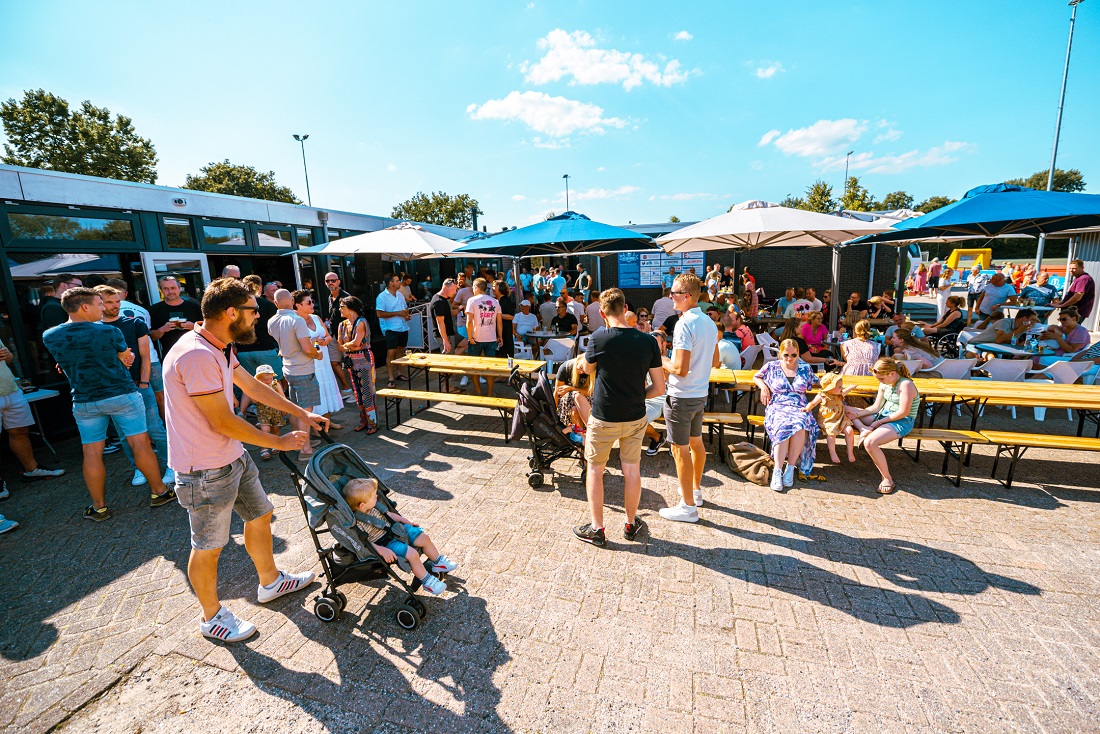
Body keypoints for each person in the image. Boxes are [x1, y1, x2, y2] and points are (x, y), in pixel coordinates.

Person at [164, 277, 324, 642]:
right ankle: (211, 618)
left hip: (231, 455)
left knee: (261, 514)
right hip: (202, 468)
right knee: (208, 545)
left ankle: (270, 582)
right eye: (254, 311)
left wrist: (302, 412)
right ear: (231, 312)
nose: (258, 317)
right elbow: (222, 420)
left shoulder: (218, 345)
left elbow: (252, 386)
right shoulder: (197, 354)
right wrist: (278, 441)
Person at [42, 288, 174, 521]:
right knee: (140, 444)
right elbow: (127, 358)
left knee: (91, 453)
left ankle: (99, 507)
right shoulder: (109, 331)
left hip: (84, 401)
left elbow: (63, 363)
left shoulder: (50, 336)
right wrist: (122, 358)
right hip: (121, 395)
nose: (102, 308)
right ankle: (159, 493)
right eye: (98, 304)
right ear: (84, 307)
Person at [573, 289, 665, 547]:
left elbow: (587, 368)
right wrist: (636, 395)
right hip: (635, 416)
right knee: (632, 470)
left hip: (604, 416)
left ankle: (597, 528)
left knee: (595, 469)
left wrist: (584, 364)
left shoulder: (598, 337)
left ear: (602, 313)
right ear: (625, 309)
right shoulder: (648, 341)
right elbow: (659, 388)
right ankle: (630, 523)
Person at [96, 285, 174, 487]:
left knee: (155, 427)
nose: (115, 306)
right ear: (99, 303)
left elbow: (145, 356)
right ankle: (139, 468)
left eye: (117, 301)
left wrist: (144, 383)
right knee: (124, 435)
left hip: (139, 383)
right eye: (109, 302)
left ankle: (172, 465)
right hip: (113, 389)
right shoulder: (94, 328)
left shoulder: (135, 323)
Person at [658, 274, 720, 523]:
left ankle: (688, 507)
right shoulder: (709, 322)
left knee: (679, 449)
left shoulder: (684, 323)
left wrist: (660, 360)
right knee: (695, 443)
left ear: (686, 296)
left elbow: (680, 369)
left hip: (682, 395)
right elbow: (715, 361)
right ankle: (694, 492)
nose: (669, 296)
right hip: (699, 393)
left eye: (673, 293)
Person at [342, 477, 455, 595]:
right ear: (362, 505)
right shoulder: (359, 522)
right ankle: (427, 582)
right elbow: (365, 542)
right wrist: (382, 551)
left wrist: (407, 522)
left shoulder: (374, 507)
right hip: (386, 543)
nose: (377, 496)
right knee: (412, 554)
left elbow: (390, 515)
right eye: (374, 495)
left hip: (396, 530)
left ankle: (438, 562)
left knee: (424, 538)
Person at [0, 337, 65, 500]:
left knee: (20, 430)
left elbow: (9, 358)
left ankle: (32, 470)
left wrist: (8, 355)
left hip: (11, 391)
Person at [753, 339, 820, 492]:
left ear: (798, 354)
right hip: (777, 405)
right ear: (780, 354)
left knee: (800, 424)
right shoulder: (772, 366)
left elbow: (819, 382)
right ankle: (777, 470)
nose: (789, 358)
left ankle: (790, 468)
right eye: (786, 355)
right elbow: (756, 376)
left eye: (793, 355)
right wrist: (763, 387)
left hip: (799, 406)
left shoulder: (805, 368)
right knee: (782, 425)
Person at [847, 358, 920, 495]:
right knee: (844, 409)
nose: (879, 382)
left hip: (902, 421)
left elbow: (903, 412)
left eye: (881, 379)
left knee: (870, 443)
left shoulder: (905, 385)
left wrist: (877, 423)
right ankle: (864, 429)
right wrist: (857, 415)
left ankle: (887, 479)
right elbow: (876, 407)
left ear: (891, 373)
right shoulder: (885, 383)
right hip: (883, 415)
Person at [269, 289, 324, 460]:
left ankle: (299, 442)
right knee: (305, 411)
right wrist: (318, 353)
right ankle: (305, 449)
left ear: (275, 303)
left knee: (295, 408)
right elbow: (307, 349)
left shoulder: (272, 321)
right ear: (292, 301)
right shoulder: (297, 320)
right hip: (303, 369)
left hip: (288, 368)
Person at [107, 278, 166, 419]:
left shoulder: (106, 313)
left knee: (138, 402)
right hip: (151, 358)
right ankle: (167, 426)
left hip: (130, 360)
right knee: (161, 396)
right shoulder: (143, 310)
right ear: (126, 293)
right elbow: (149, 335)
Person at [235, 275, 284, 419]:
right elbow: (277, 327)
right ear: (261, 288)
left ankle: (241, 412)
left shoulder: (238, 306)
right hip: (266, 349)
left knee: (250, 383)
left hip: (244, 351)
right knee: (275, 381)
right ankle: (279, 410)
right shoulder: (267, 305)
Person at [293, 290, 344, 424]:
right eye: (308, 302)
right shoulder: (296, 321)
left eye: (312, 301)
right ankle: (316, 426)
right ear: (298, 305)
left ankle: (327, 421)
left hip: (324, 361)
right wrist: (314, 342)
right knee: (316, 391)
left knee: (326, 389)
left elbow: (327, 335)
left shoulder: (316, 317)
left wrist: (326, 340)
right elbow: (299, 345)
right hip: (311, 363)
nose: (312, 304)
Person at [338, 297, 378, 433]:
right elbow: (340, 346)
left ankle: (373, 423)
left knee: (367, 392)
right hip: (352, 361)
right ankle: (363, 421)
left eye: (342, 306)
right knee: (357, 392)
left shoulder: (361, 322)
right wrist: (352, 346)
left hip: (364, 360)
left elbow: (355, 344)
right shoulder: (342, 325)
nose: (340, 309)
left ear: (351, 307)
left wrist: (349, 346)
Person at [803, 372, 857, 464]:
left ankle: (850, 451)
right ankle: (832, 451)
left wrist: (851, 388)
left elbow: (845, 392)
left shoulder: (839, 394)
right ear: (831, 388)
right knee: (831, 434)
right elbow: (813, 403)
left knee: (849, 431)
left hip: (840, 418)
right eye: (839, 387)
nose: (842, 388)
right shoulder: (822, 395)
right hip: (828, 420)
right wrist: (807, 408)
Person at [149, 276, 203, 360]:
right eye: (166, 288)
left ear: (179, 288)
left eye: (173, 288)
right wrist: (162, 329)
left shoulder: (194, 306)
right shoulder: (155, 310)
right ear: (161, 290)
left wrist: (194, 327)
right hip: (170, 357)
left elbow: (208, 330)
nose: (170, 291)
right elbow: (151, 337)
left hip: (196, 354)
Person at [465, 278, 503, 396]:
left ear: (476, 287)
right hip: (491, 338)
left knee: (474, 367)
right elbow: (499, 322)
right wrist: (499, 336)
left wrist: (470, 337)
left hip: (476, 338)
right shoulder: (495, 301)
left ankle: (478, 391)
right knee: (490, 368)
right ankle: (490, 393)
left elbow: (469, 321)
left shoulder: (472, 301)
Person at [376, 274, 412, 388]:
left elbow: (404, 309)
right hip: (391, 328)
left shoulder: (400, 295)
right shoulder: (382, 297)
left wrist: (407, 315)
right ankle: (391, 377)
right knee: (391, 352)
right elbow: (379, 314)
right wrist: (398, 313)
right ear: (391, 283)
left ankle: (399, 373)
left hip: (403, 326)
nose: (399, 282)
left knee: (401, 350)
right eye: (397, 280)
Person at [322, 272, 353, 396]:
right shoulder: (330, 297)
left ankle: (357, 392)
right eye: (328, 281)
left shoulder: (346, 297)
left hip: (347, 336)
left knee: (351, 364)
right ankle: (347, 389)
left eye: (333, 280)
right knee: (333, 362)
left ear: (338, 282)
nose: (331, 283)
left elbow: (352, 317)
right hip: (334, 335)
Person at [253, 365, 288, 460]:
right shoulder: (256, 387)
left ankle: (275, 444)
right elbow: (254, 401)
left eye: (270, 378)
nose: (269, 381)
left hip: (275, 411)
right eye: (265, 380)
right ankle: (264, 449)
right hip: (263, 412)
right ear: (258, 379)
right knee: (265, 430)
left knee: (276, 429)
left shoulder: (275, 384)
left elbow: (282, 397)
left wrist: (285, 408)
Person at [555, 357, 592, 444]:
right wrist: (552, 412)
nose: (581, 370)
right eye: (581, 366)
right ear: (578, 360)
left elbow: (589, 393)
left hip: (587, 402)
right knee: (576, 396)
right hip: (566, 405)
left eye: (584, 369)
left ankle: (581, 442)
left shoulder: (592, 372)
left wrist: (571, 388)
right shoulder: (566, 368)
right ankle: (591, 431)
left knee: (575, 409)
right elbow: (557, 393)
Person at [430, 279, 461, 354]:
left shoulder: (442, 299)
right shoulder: (439, 302)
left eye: (456, 289)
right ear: (445, 288)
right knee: (449, 359)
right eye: (453, 289)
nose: (455, 292)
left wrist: (458, 310)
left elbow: (447, 313)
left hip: (449, 333)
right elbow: (440, 322)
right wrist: (445, 340)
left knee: (465, 343)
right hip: (445, 335)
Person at [494, 280, 516, 358]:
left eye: (495, 286)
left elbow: (511, 316)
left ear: (500, 289)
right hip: (496, 333)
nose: (493, 288)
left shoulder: (507, 301)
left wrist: (498, 315)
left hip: (506, 332)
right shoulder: (495, 301)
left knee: (506, 355)